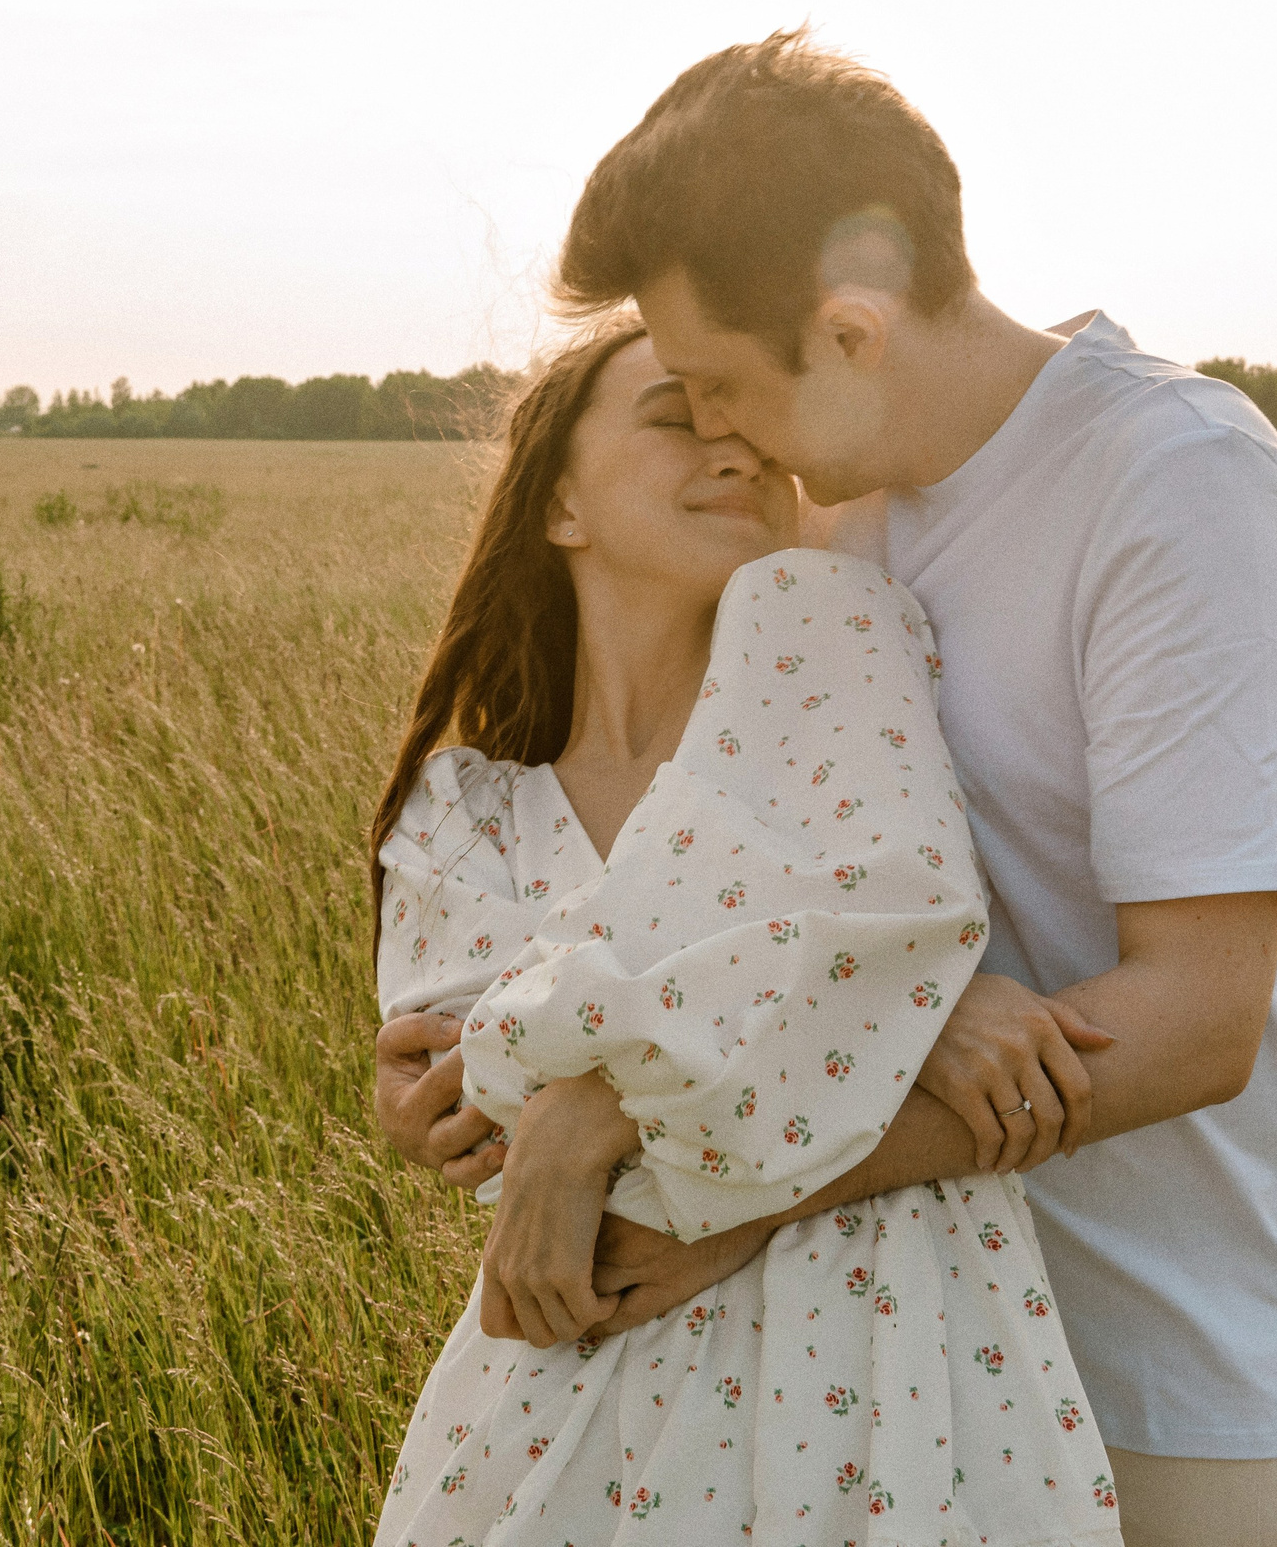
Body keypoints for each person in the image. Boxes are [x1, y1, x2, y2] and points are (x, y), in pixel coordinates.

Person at [383, 30, 1277, 1546]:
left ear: (853, 333)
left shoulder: (1177, 489)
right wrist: (512, 1075)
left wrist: (715, 1185)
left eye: (724, 385)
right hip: (919, 1369)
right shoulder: (835, 546)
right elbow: (766, 913)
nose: (720, 434)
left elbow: (1198, 1018)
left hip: (1200, 1360)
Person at [366, 322, 1125, 1547]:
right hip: (583, 1355)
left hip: (886, 1339)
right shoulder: (469, 811)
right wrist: (897, 1010)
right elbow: (484, 1078)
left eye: (752, 432)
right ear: (558, 500)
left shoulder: (838, 629)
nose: (732, 452)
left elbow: (897, 910)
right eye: (677, 418)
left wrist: (605, 1083)